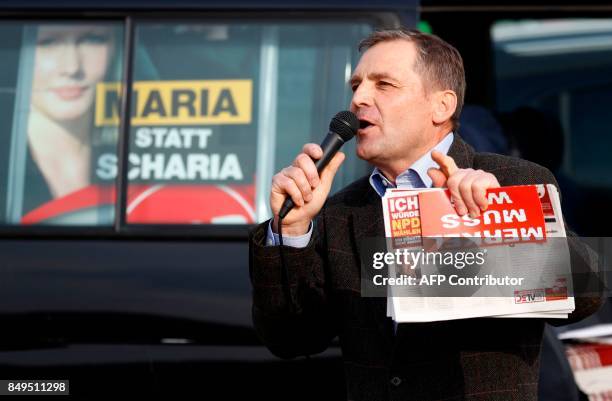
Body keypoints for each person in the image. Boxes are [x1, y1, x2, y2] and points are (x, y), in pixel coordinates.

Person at [249, 28, 602, 400]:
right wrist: (291, 230)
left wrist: (500, 215)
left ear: (442, 106)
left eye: (384, 84)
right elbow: (291, 339)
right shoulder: (342, 211)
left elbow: (589, 294)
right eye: (356, 85)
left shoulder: (513, 180)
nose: (358, 99)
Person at [25, 24, 117, 215]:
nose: (72, 67)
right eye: (47, 43)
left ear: (115, 48)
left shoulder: (146, 156)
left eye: (92, 40)